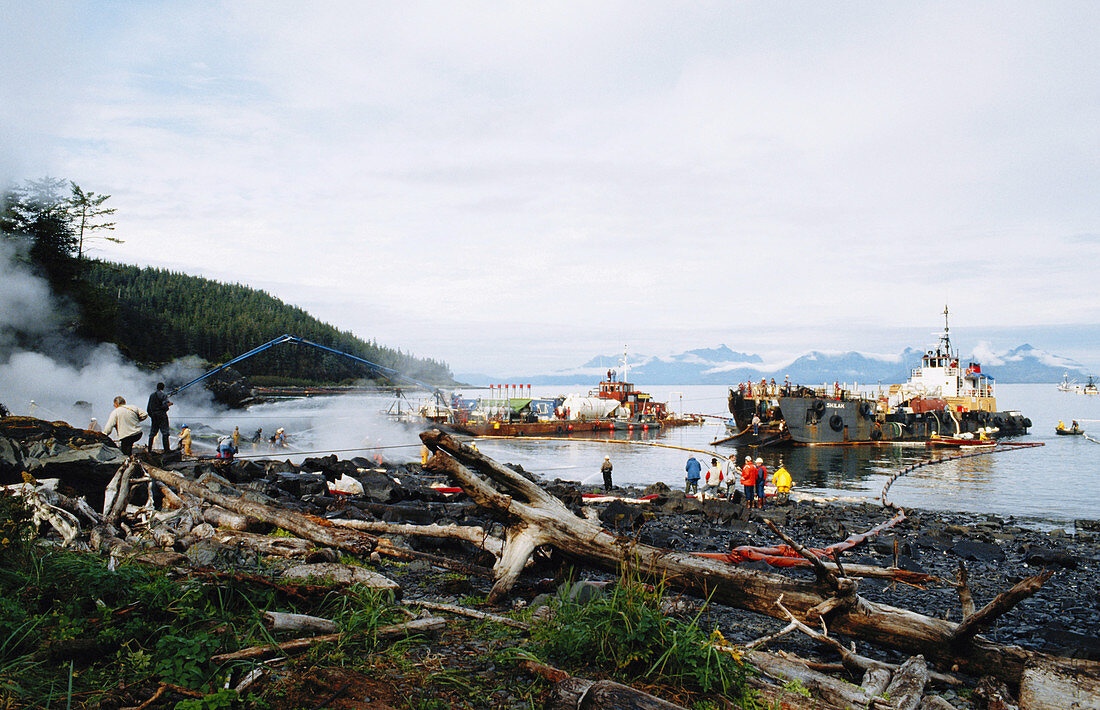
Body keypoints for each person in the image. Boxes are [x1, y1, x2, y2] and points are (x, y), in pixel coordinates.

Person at [146, 382, 172, 453]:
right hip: (162, 415)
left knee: (152, 433)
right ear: (163, 387)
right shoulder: (163, 395)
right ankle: (167, 450)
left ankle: (149, 449)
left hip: (154, 416)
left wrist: (152, 415)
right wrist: (168, 405)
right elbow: (165, 406)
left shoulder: (152, 395)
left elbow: (148, 408)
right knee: (165, 432)